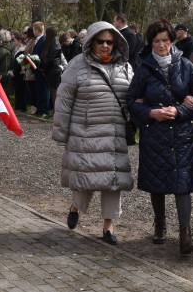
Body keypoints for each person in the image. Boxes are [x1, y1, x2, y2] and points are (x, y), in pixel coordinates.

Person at [128, 19, 193, 254]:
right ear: (150, 43)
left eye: (165, 40)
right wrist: (151, 112)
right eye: (156, 41)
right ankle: (160, 224)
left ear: (172, 40)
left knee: (183, 182)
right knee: (157, 180)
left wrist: (180, 110)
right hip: (155, 133)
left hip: (181, 134)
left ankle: (185, 233)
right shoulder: (143, 69)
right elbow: (131, 101)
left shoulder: (186, 65)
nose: (161, 45)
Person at [52, 21, 135, 245]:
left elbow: (133, 98)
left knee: (114, 181)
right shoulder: (77, 66)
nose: (105, 45)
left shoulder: (125, 67)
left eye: (110, 42)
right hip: (85, 133)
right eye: (100, 41)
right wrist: (61, 133)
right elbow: (63, 102)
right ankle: (76, 206)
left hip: (114, 134)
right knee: (85, 177)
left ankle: (108, 226)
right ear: (91, 41)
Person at [40, 26, 64, 116]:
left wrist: (44, 69)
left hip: (54, 70)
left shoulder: (55, 43)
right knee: (53, 91)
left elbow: (51, 59)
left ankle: (56, 112)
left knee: (54, 92)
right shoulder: (52, 42)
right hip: (51, 70)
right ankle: (55, 111)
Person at [10, 29, 28, 113]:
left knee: (21, 90)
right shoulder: (19, 49)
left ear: (20, 41)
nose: (14, 42)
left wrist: (14, 72)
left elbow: (19, 63)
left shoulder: (22, 50)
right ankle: (18, 106)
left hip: (20, 73)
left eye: (15, 41)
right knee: (18, 90)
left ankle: (21, 106)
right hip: (17, 72)